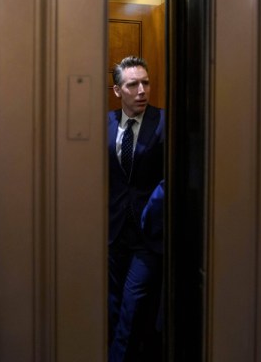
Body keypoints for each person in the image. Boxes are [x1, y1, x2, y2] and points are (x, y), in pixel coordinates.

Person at [107, 56, 165, 361]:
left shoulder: (165, 122)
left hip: (149, 234)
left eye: (146, 82)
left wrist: (153, 208)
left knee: (132, 307)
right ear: (118, 90)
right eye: (133, 84)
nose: (142, 90)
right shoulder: (104, 124)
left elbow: (176, 177)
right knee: (113, 308)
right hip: (112, 234)